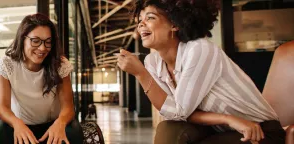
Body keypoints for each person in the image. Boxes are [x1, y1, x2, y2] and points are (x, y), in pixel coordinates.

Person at [117, 0, 285, 143]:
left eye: (150, 18)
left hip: (259, 130)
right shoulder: (152, 62)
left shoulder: (199, 49)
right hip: (218, 128)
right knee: (169, 128)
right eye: (140, 20)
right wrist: (229, 119)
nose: (141, 24)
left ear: (174, 24)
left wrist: (140, 74)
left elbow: (179, 111)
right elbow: (175, 115)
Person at [0, 14, 83, 144]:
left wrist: (60, 123)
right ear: (22, 39)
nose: (42, 48)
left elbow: (68, 108)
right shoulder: (7, 64)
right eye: (35, 41)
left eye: (48, 42)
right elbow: (3, 108)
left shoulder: (61, 65)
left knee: (74, 131)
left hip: (53, 124)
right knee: (2, 129)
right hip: (21, 124)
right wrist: (17, 123)